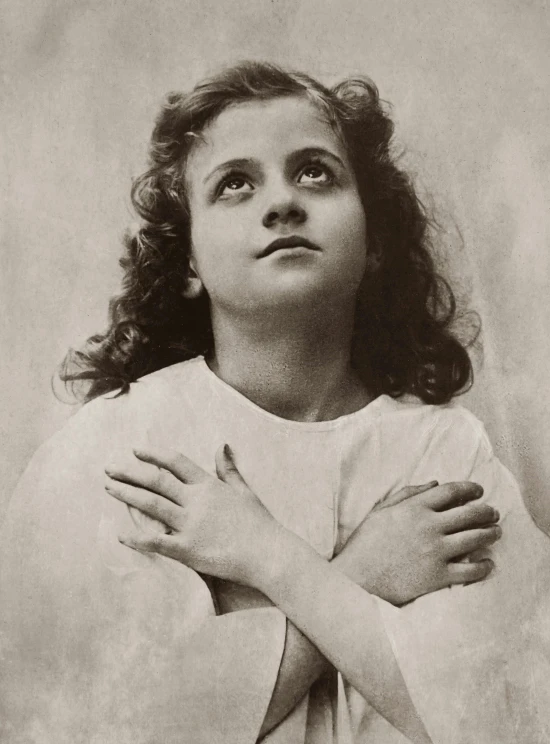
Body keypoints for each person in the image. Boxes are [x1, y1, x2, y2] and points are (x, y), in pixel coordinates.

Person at [1, 61, 548, 744]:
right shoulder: (118, 449)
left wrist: (266, 558)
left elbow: (508, 717)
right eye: (235, 183)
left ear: (373, 241)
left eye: (315, 172)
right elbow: (88, 722)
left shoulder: (447, 453)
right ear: (190, 260)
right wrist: (366, 574)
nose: (283, 202)